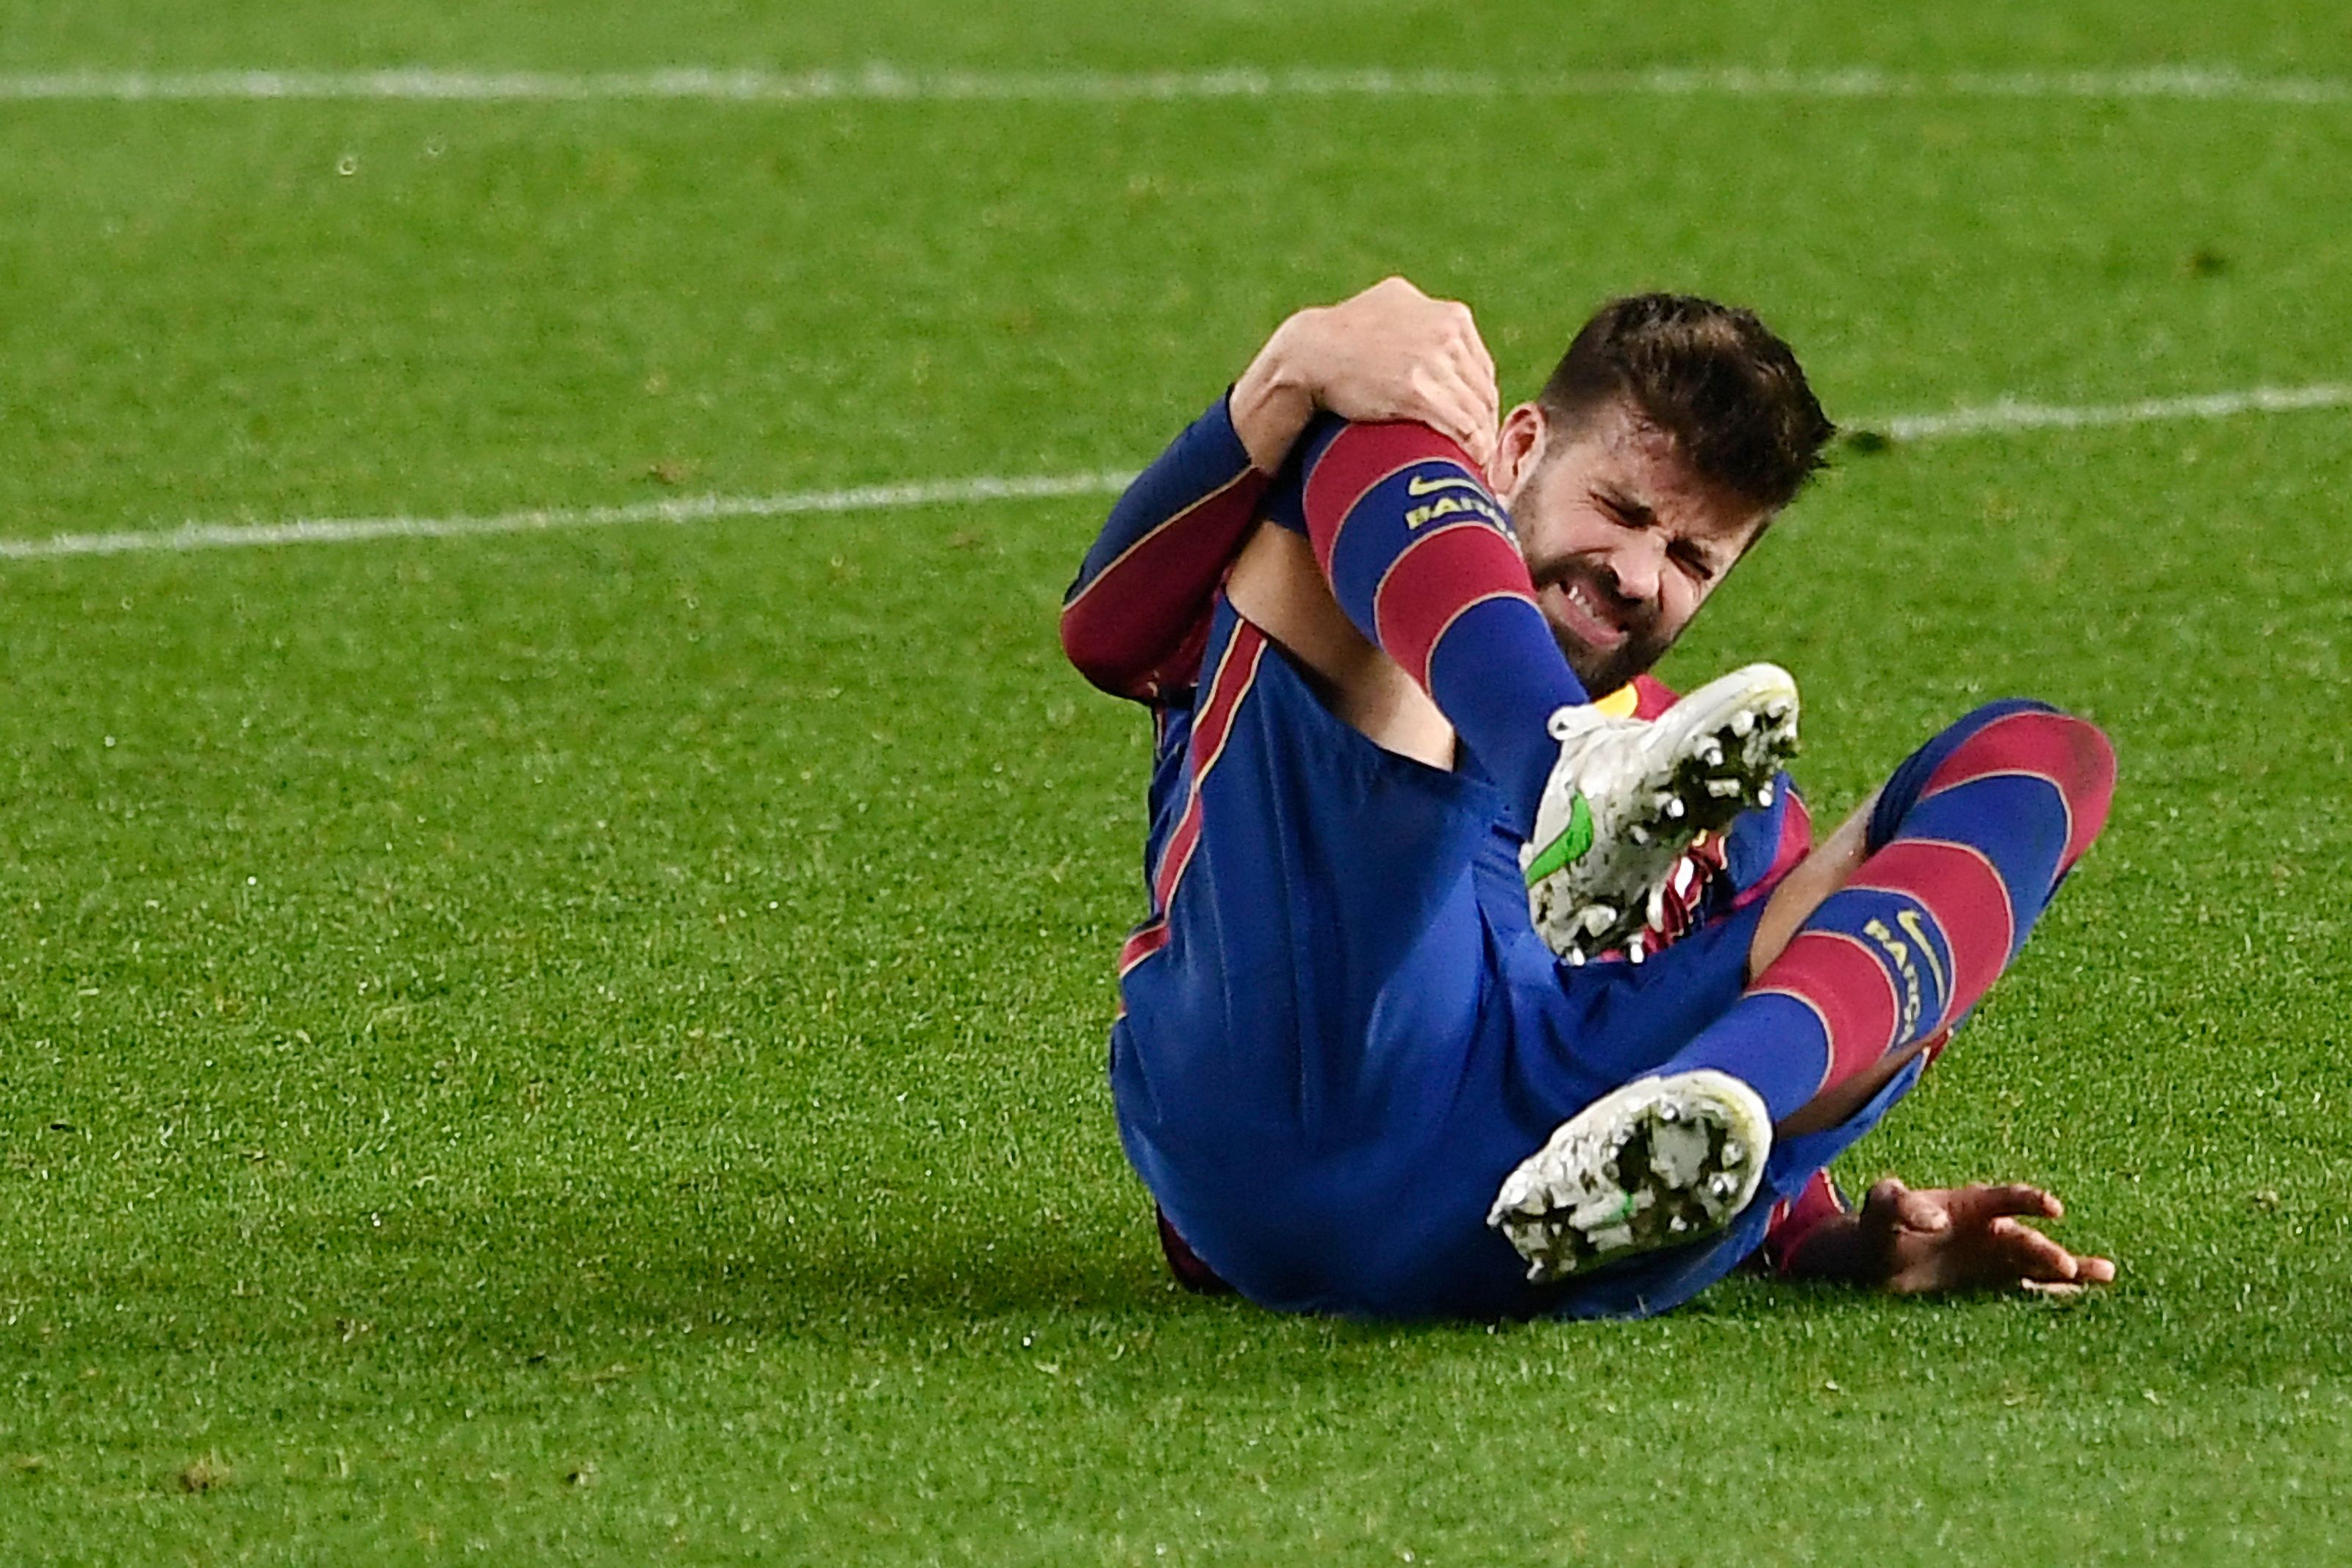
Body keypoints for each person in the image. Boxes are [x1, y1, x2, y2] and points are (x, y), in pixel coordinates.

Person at [1060, 278, 2118, 1317]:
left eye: (1692, 558)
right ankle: (1563, 766)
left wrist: (1840, 1238)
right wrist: (1293, 370)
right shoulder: (1363, 551)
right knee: (1364, 428)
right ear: (1518, 448)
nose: (1640, 572)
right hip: (1307, 1086)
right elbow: (1104, 631)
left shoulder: (1723, 792)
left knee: (2048, 758)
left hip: (1538, 1202)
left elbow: (1745, 966)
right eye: (1621, 508)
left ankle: (1719, 1095)